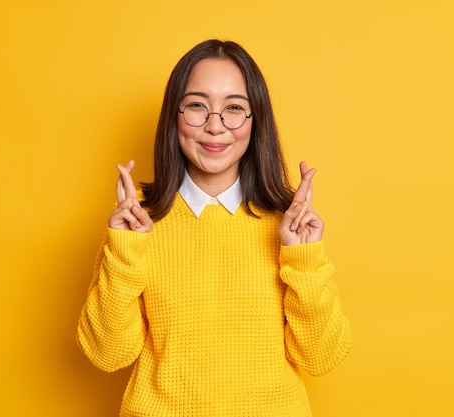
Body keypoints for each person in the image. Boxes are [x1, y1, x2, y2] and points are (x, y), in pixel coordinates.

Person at [77, 39, 350, 417]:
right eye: (196, 106)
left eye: (234, 108)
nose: (214, 126)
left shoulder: (288, 223)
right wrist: (124, 252)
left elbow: (321, 358)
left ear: (256, 122)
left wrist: (303, 258)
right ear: (175, 115)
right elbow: (107, 354)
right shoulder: (139, 219)